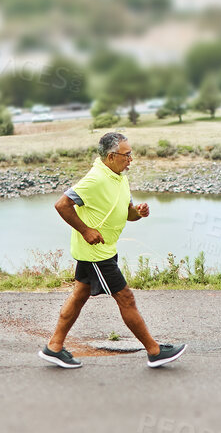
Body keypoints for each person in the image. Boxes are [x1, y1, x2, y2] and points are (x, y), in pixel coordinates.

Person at [41, 131, 186, 369]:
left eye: (131, 154)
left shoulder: (119, 176)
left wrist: (138, 212)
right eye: (126, 155)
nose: (131, 159)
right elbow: (62, 205)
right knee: (126, 298)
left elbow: (127, 214)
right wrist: (86, 230)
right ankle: (154, 350)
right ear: (110, 157)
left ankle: (54, 347)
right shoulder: (95, 179)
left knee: (79, 296)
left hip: (104, 249)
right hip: (97, 253)